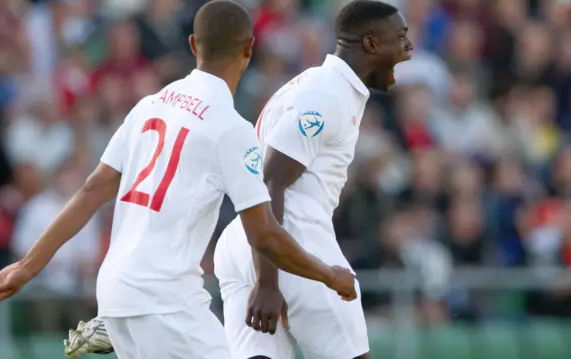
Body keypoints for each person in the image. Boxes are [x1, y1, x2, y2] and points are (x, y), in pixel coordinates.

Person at [0, 2, 357, 359]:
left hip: (116, 293)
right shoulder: (230, 129)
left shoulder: (149, 105)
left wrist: (27, 266)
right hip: (166, 302)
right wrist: (329, 275)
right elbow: (265, 236)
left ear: (192, 44)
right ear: (249, 49)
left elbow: (91, 191)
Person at [61, 1, 412, 358]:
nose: (408, 47)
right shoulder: (327, 95)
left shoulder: (321, 85)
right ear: (370, 44)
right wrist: (269, 283)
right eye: (400, 38)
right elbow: (272, 181)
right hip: (288, 240)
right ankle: (138, 319)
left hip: (247, 244)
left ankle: (132, 321)